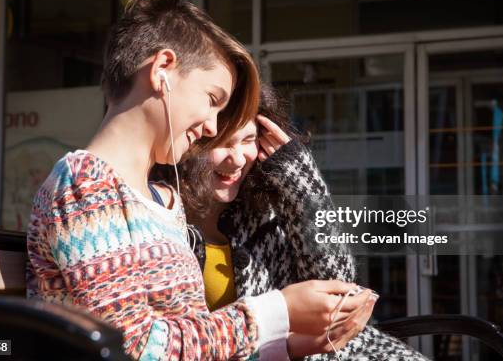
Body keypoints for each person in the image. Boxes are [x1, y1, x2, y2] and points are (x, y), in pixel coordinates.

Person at [26, 0, 375, 361]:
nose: (211, 127)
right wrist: (278, 311)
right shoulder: (86, 183)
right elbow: (133, 348)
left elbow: (188, 340)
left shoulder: (160, 198)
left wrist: (284, 348)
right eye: (212, 100)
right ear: (162, 70)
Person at [177, 83, 430, 360]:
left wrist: (303, 186)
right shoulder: (164, 223)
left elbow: (339, 285)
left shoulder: (265, 204)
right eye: (222, 143)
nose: (237, 159)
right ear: (191, 141)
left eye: (248, 140)